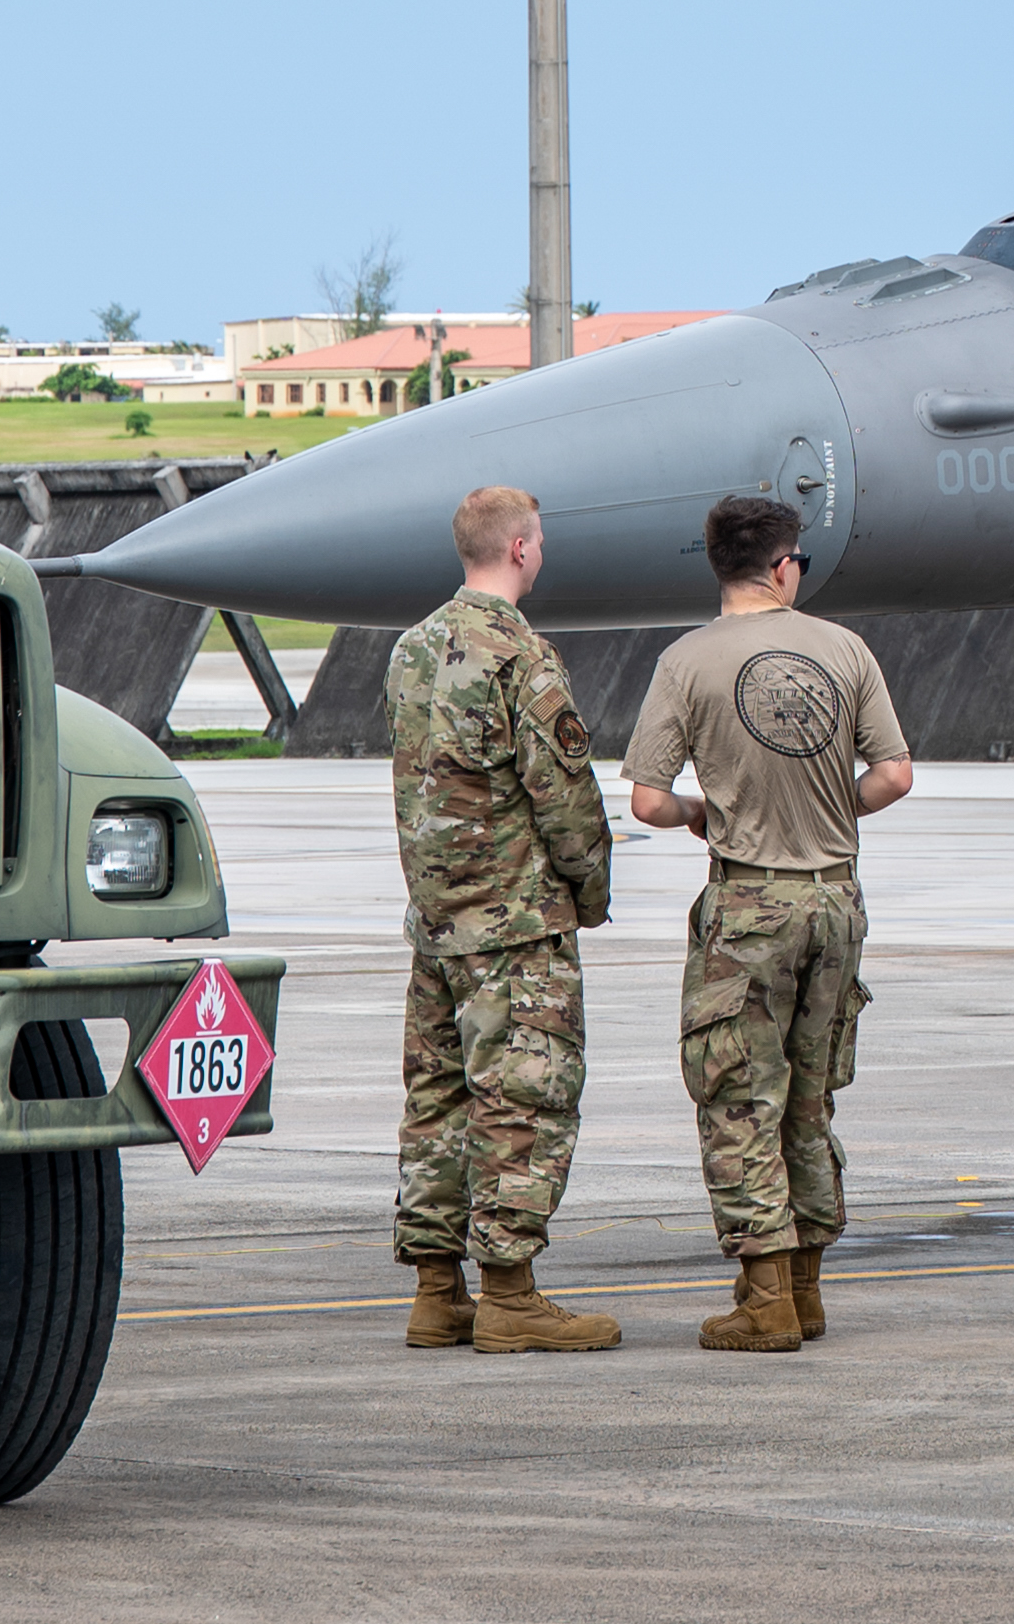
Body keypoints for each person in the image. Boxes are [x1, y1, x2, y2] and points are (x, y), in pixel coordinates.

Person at [621, 491, 917, 1353]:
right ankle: (809, 1288)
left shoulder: (687, 661)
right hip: (834, 898)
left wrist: (701, 814)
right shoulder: (844, 648)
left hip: (748, 904)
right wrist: (833, 814)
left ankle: (764, 1296)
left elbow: (645, 800)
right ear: (785, 567)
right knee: (809, 1097)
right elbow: (894, 775)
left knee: (737, 1098)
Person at [388, 481, 624, 1351]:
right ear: (522, 549)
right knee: (523, 1099)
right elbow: (562, 793)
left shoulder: (412, 647)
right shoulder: (520, 657)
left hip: (436, 924)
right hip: (514, 925)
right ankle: (511, 1295)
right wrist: (589, 890)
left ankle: (434, 1290)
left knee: (437, 1098)